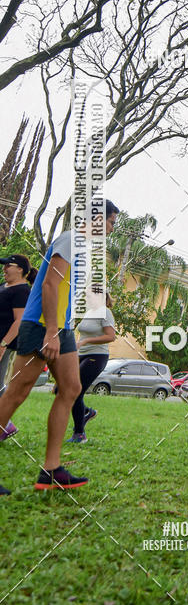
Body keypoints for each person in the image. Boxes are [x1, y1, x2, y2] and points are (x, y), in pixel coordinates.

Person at [0, 200, 119, 493]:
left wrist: (61, 329)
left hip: (61, 328)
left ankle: (51, 471)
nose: (111, 228)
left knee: (71, 388)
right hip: (41, 325)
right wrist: (51, 331)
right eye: (111, 222)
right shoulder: (70, 240)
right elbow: (50, 285)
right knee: (17, 392)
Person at [65, 292, 116, 443]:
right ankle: (87, 412)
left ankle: (79, 434)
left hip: (97, 356)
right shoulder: (89, 313)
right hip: (81, 355)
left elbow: (111, 336)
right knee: (66, 389)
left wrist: (86, 342)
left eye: (90, 295)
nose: (87, 298)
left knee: (75, 391)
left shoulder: (105, 313)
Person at [0, 255, 37, 445]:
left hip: (3, 343)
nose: (4, 269)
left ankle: (6, 425)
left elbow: (19, 320)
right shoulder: (4, 287)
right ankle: (6, 424)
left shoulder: (23, 291)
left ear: (21, 269)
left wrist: (3, 344)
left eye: (9, 266)